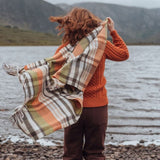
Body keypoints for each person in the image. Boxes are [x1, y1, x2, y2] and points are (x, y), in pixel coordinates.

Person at [49, 7, 129, 160]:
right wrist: (113, 32)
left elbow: (54, 74)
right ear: (92, 24)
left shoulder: (65, 49)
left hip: (72, 107)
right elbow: (123, 54)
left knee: (71, 154)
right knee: (95, 153)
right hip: (97, 107)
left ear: (69, 26)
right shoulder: (102, 45)